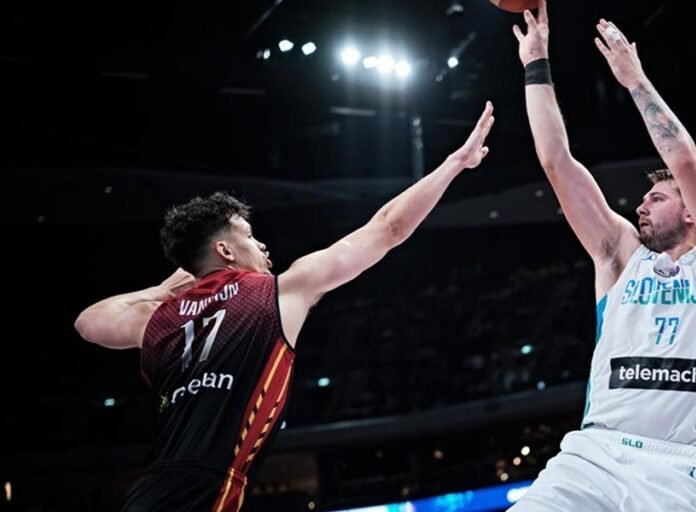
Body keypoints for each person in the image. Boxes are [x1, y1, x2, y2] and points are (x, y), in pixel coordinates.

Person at [73, 102, 496, 511]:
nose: (262, 246)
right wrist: (454, 163)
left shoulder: (158, 318)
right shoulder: (276, 292)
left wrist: (164, 289)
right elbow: (387, 228)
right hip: (204, 487)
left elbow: (88, 322)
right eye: (250, 236)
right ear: (225, 249)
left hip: (148, 489)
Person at [509, 0, 696, 511]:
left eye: (657, 197)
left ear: (692, 214)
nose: (641, 204)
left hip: (675, 469)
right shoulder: (619, 256)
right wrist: (536, 63)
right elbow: (556, 161)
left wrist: (634, 81)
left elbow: (683, 159)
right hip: (593, 454)